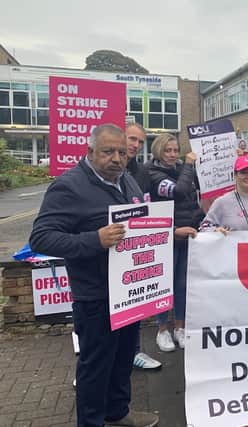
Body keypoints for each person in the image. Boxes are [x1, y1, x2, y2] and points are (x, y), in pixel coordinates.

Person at [30, 124, 159, 427]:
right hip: (96, 295)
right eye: (107, 152)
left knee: (124, 356)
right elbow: (41, 238)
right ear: (90, 152)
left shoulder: (126, 181)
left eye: (121, 152)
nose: (116, 158)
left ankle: (118, 411)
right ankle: (91, 422)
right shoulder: (69, 186)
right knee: (96, 364)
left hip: (129, 291)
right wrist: (94, 239)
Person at [147, 134, 204, 352]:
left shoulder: (184, 169)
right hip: (167, 238)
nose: (172, 155)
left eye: (174, 150)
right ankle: (162, 329)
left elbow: (197, 193)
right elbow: (179, 192)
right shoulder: (152, 173)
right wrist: (189, 165)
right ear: (158, 152)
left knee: (182, 286)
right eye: (167, 151)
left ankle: (180, 327)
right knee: (164, 287)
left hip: (188, 235)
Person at [124, 123, 162, 370]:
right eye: (131, 139)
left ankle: (133, 353)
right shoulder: (91, 173)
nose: (135, 145)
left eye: (139, 141)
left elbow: (149, 208)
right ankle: (90, 369)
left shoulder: (142, 172)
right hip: (103, 246)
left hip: (134, 247)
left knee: (132, 306)